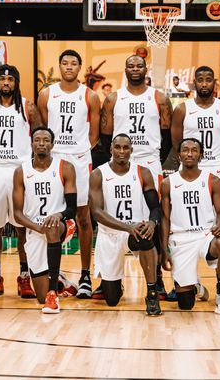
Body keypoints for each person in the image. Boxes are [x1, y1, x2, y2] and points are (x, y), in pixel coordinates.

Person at [100, 54, 174, 299]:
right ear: (125, 69)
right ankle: (109, 276)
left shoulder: (159, 98)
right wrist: (118, 158)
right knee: (114, 213)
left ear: (145, 69)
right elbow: (105, 135)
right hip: (121, 161)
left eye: (139, 65)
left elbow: (167, 137)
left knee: (154, 218)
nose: (135, 69)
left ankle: (158, 279)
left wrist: (153, 158)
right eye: (130, 65)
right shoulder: (113, 99)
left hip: (149, 160)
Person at [170, 65, 220, 299]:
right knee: (186, 223)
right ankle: (190, 281)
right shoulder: (183, 109)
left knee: (217, 226)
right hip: (189, 170)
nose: (203, 83)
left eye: (208, 79)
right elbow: (176, 143)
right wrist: (190, 161)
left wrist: (216, 161)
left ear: (214, 83)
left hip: (217, 168)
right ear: (194, 84)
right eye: (199, 80)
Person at [0, 64, 43, 299]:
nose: (6, 83)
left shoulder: (28, 106)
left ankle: (24, 277)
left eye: (10, 79)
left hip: (20, 170)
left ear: (16, 82)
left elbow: (40, 136)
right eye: (2, 79)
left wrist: (30, 166)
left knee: (22, 226)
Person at [37, 49, 101, 299]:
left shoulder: (90, 96)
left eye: (74, 63)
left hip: (79, 159)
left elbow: (94, 135)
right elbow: (42, 129)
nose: (69, 67)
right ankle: (54, 273)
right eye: (65, 63)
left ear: (79, 67)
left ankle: (85, 275)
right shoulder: (46, 94)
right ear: (60, 66)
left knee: (83, 217)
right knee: (51, 215)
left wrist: (78, 150)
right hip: (54, 159)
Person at [160, 138, 220, 317]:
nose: (189, 153)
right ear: (179, 155)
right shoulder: (168, 183)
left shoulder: (213, 180)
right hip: (180, 238)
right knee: (185, 305)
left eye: (194, 150)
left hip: (205, 235)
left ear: (200, 155)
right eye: (185, 150)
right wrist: (164, 250)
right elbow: (165, 218)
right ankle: (195, 288)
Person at [89, 133, 163, 316]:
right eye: (118, 147)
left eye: (125, 147)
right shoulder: (98, 174)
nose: (121, 151)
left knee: (145, 237)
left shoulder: (143, 172)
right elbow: (96, 213)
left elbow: (155, 207)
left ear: (131, 150)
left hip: (135, 231)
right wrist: (127, 227)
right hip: (110, 234)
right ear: (111, 149)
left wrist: (152, 223)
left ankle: (152, 292)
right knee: (111, 299)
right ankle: (114, 285)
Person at [12, 127, 78, 314]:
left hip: (62, 225)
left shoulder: (65, 168)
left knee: (52, 228)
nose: (41, 143)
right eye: (37, 140)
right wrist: (37, 227)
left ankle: (53, 294)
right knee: (39, 296)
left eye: (46, 140)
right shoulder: (21, 172)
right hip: (36, 229)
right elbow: (17, 214)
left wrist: (59, 215)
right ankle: (60, 283)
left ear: (52, 144)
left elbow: (72, 209)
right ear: (31, 144)